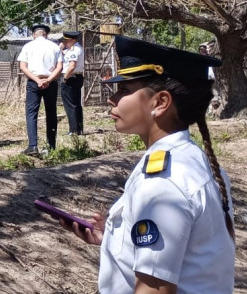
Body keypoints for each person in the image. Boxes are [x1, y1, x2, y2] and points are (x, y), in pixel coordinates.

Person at [59, 35, 234, 293]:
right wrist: (115, 238)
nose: (112, 99)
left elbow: (155, 288)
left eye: (125, 91)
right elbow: (190, 255)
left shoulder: (162, 184)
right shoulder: (194, 160)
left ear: (160, 103)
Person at [18, 24, 62, 156]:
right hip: (50, 82)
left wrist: (37, 81)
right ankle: (51, 145)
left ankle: (33, 146)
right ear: (46, 34)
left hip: (34, 82)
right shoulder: (54, 46)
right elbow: (59, 67)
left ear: (33, 35)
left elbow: (23, 66)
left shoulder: (28, 46)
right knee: (51, 112)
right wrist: (48, 80)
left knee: (31, 113)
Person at [60, 31, 85, 137]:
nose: (64, 42)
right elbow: (65, 54)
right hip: (77, 77)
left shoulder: (74, 50)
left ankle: (73, 131)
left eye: (66, 41)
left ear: (73, 40)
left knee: (70, 105)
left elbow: (71, 66)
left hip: (71, 77)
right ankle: (78, 129)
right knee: (76, 104)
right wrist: (61, 48)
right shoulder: (75, 48)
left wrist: (65, 78)